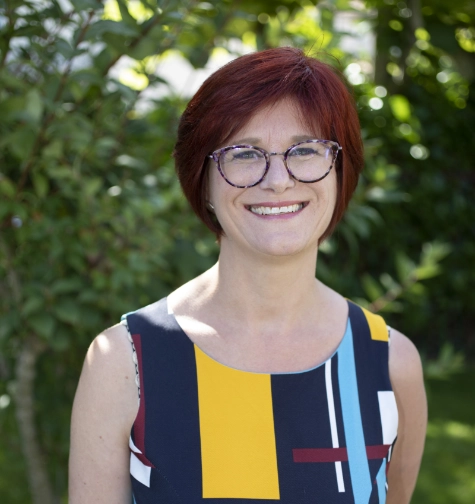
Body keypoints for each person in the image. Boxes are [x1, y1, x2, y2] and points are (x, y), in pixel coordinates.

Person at [69, 47, 427, 504]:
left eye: (305, 149)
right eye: (244, 153)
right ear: (203, 180)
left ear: (341, 172)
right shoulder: (125, 362)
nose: (277, 180)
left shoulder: (390, 365)